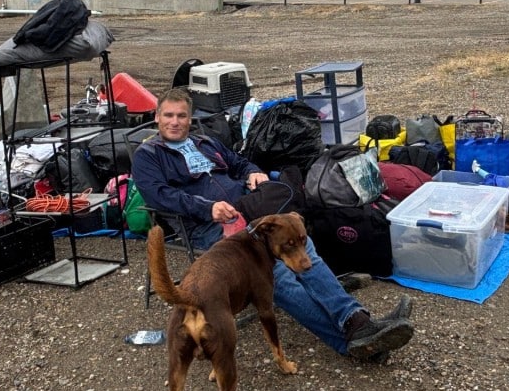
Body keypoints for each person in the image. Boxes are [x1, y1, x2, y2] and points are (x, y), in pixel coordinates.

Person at [132, 88, 415, 362]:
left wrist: (253, 173)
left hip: (250, 212)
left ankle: (356, 320)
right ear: (157, 117)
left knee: (301, 246)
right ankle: (349, 340)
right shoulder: (149, 155)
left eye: (181, 116)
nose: (175, 122)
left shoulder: (205, 142)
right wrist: (208, 208)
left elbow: (239, 162)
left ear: (189, 118)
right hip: (208, 226)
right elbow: (160, 195)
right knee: (276, 274)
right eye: (168, 115)